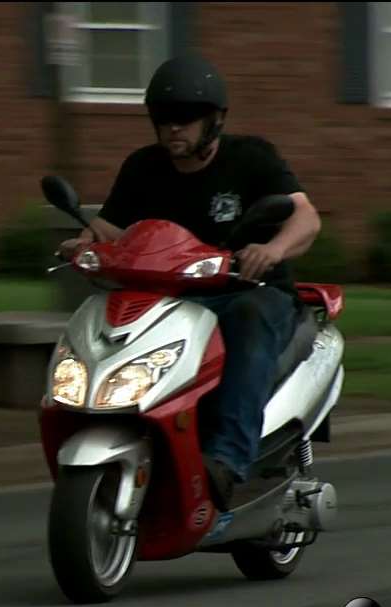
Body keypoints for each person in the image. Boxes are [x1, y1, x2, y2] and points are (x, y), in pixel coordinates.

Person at [58, 54, 322, 511]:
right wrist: (84, 244)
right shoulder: (143, 167)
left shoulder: (251, 158)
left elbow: (306, 217)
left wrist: (271, 251)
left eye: (185, 119)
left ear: (214, 122)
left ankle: (227, 460)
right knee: (108, 317)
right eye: (164, 120)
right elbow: (112, 229)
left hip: (248, 292)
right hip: (173, 297)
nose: (173, 129)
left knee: (249, 316)